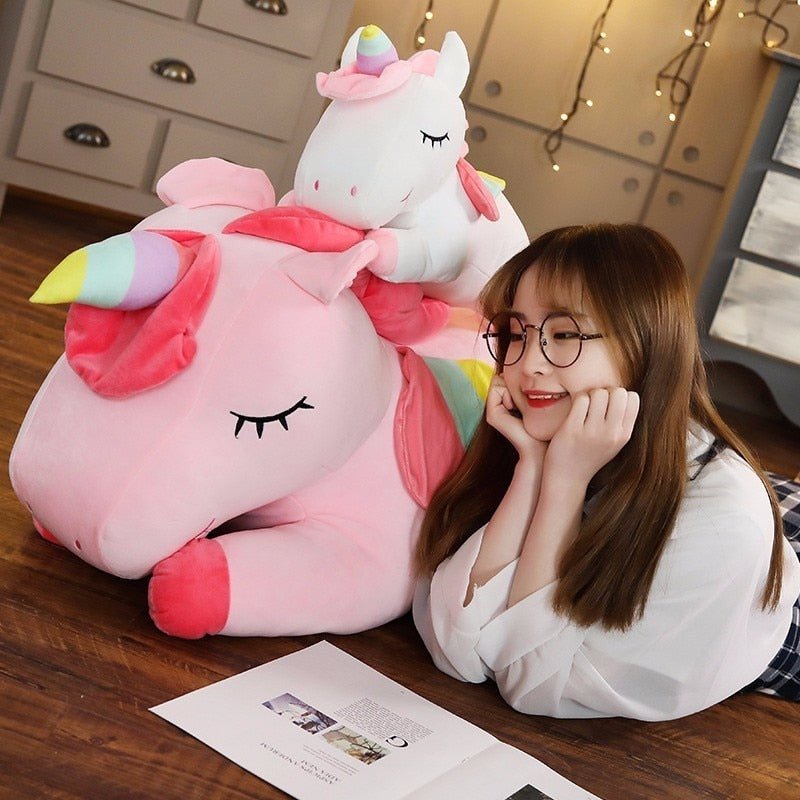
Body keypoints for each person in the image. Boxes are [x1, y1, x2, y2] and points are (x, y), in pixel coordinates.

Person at [412, 223, 800, 721]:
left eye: (565, 334)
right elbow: (458, 647)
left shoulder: (725, 524)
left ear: (645, 344)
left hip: (763, 603)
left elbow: (534, 685)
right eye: (516, 333)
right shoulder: (551, 433)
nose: (528, 364)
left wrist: (565, 482)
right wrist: (535, 469)